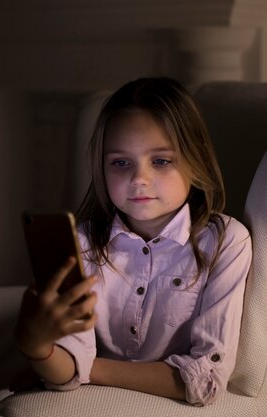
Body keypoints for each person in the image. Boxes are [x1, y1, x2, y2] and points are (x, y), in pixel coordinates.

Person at [14, 77, 252, 407]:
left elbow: (204, 381)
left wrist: (88, 369)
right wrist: (37, 348)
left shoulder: (226, 243)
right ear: (102, 167)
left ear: (194, 161)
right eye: (121, 163)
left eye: (161, 160)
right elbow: (65, 372)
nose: (139, 179)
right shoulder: (83, 243)